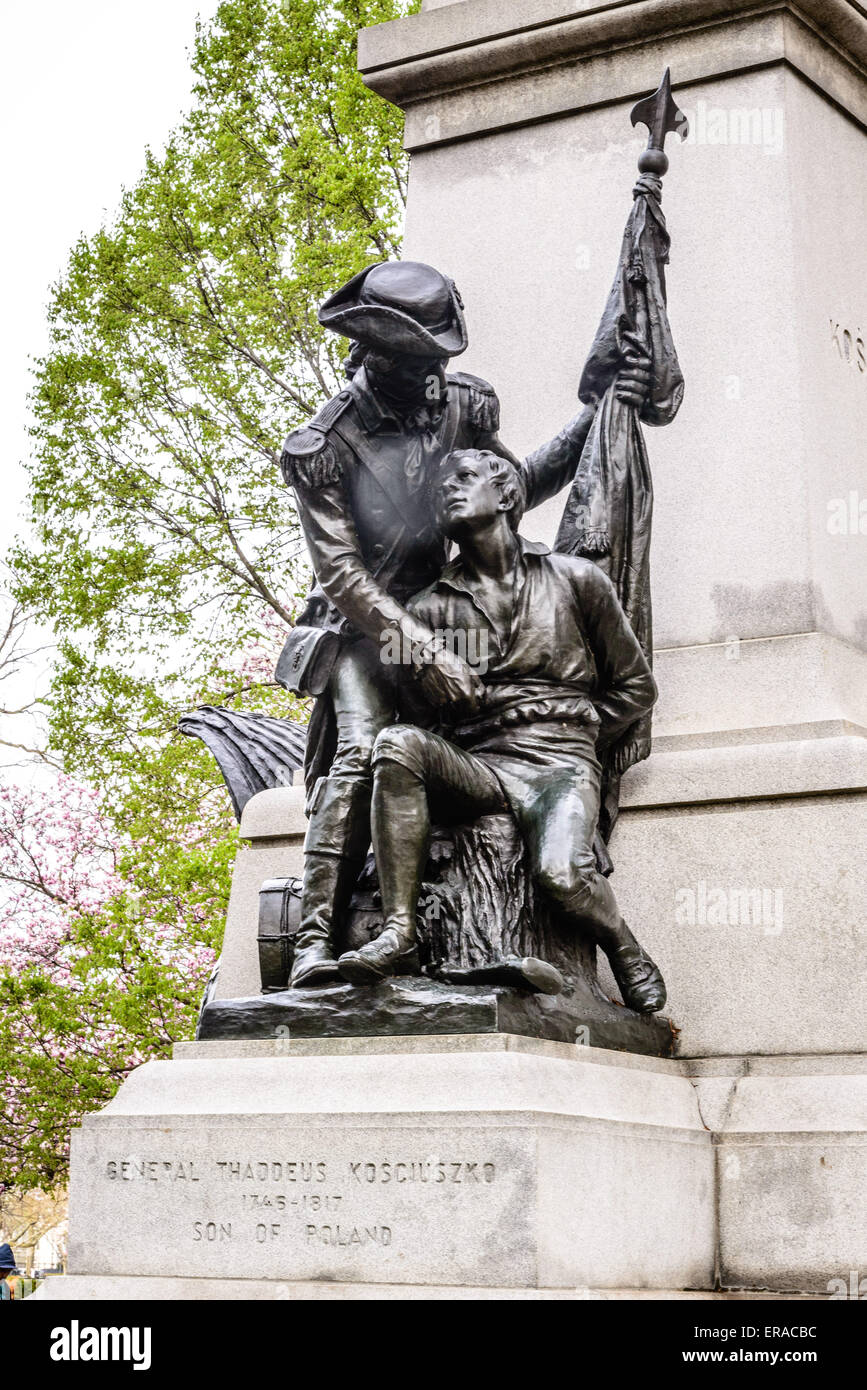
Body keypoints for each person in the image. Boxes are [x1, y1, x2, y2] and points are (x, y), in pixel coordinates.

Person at [280, 259, 651, 987]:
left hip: (452, 614)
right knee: (360, 752)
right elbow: (344, 576)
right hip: (363, 627)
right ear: (375, 357)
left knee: (450, 750)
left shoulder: (463, 406)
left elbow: (517, 487)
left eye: (439, 360)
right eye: (418, 361)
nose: (432, 377)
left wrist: (599, 413)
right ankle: (312, 944)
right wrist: (419, 652)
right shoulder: (323, 445)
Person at [335, 448, 665, 1013]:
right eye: (439, 487)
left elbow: (637, 688)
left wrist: (581, 732)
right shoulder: (429, 607)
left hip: (560, 764)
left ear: (506, 494)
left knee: (561, 876)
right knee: (398, 745)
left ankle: (623, 945)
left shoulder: (577, 580)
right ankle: (400, 929)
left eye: (463, 478)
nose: (448, 491)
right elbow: (419, 715)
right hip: (480, 763)